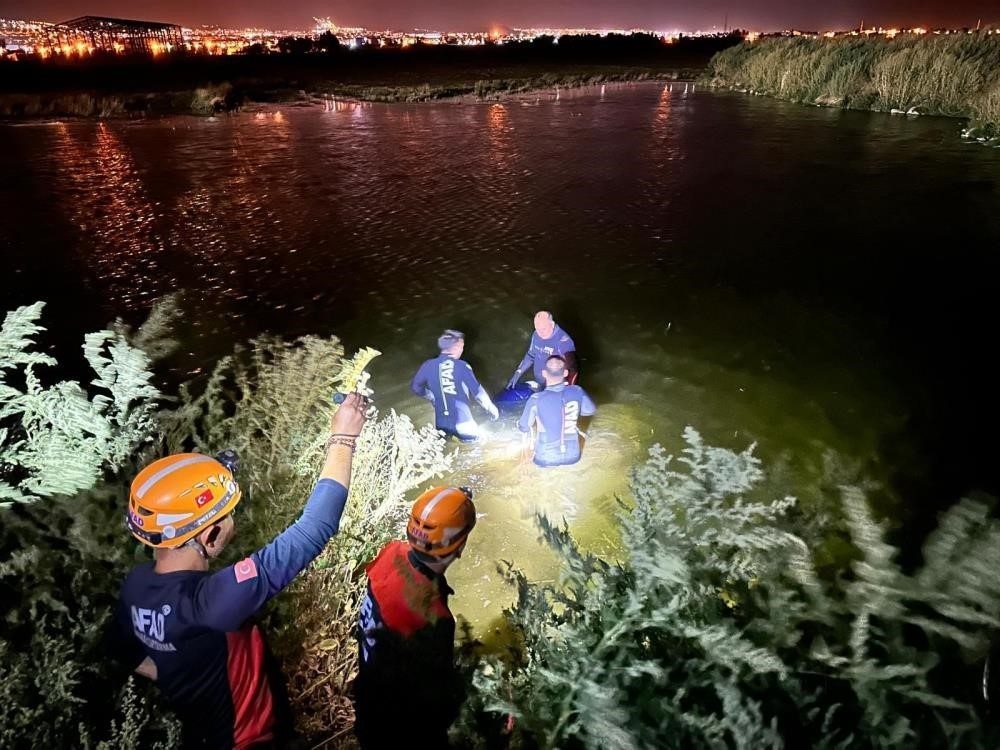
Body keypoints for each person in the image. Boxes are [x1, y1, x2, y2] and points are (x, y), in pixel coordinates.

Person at [114, 393, 368, 749]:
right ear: (211, 534)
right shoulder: (215, 605)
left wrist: (183, 675)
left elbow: (130, 654)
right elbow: (317, 527)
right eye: (229, 513)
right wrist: (344, 438)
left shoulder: (135, 586)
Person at [354, 486, 477, 748]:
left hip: (368, 707)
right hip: (401, 733)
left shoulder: (391, 552)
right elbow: (435, 703)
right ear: (461, 545)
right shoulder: (434, 619)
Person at [411, 329, 499, 442]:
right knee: (483, 445)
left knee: (447, 453)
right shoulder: (462, 366)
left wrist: (431, 396)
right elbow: (478, 393)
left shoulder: (427, 365)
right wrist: (492, 409)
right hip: (464, 424)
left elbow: (416, 387)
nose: (462, 350)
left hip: (442, 426)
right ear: (456, 347)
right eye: (461, 346)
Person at [518, 355, 596, 467]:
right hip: (573, 457)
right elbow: (589, 410)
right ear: (565, 373)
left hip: (545, 459)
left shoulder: (536, 399)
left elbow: (524, 427)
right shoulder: (577, 390)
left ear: (544, 373)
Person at [507, 310, 577, 389]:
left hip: (553, 386)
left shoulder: (564, 342)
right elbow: (531, 355)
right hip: (539, 382)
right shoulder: (536, 335)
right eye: (537, 329)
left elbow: (571, 372)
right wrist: (518, 372)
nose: (540, 333)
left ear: (552, 324)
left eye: (543, 329)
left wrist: (561, 391)